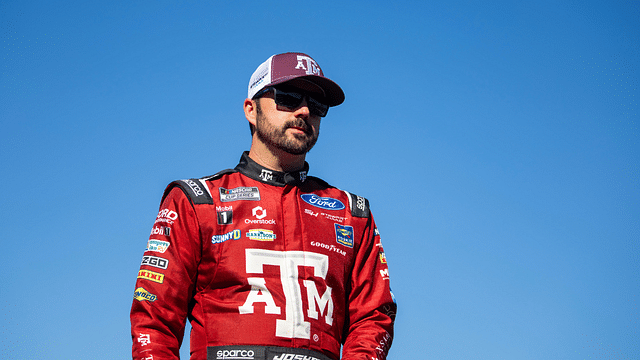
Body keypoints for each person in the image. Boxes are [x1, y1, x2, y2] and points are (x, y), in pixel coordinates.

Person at [130, 52, 396, 360]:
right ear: (251, 110)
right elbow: (154, 320)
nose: (305, 110)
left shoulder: (352, 213)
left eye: (317, 105)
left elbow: (373, 317)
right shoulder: (195, 200)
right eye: (287, 98)